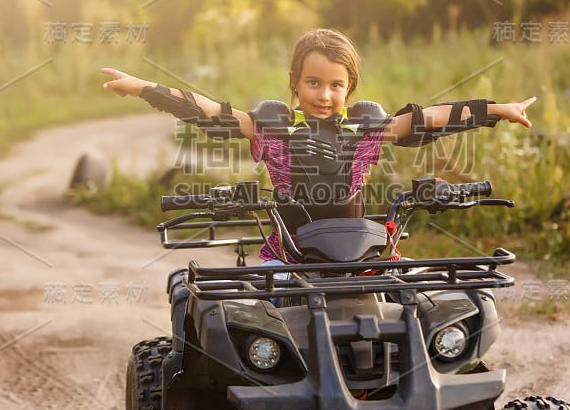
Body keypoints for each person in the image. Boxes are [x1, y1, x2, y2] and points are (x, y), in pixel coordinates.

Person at [101, 28, 535, 263]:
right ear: (294, 82)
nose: (324, 95)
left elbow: (430, 119)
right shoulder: (270, 124)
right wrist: (144, 88)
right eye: (313, 83)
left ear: (350, 88)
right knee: (255, 323)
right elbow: (211, 113)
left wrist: (496, 109)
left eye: (335, 85)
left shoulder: (369, 127)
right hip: (287, 254)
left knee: (411, 309)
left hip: (364, 250)